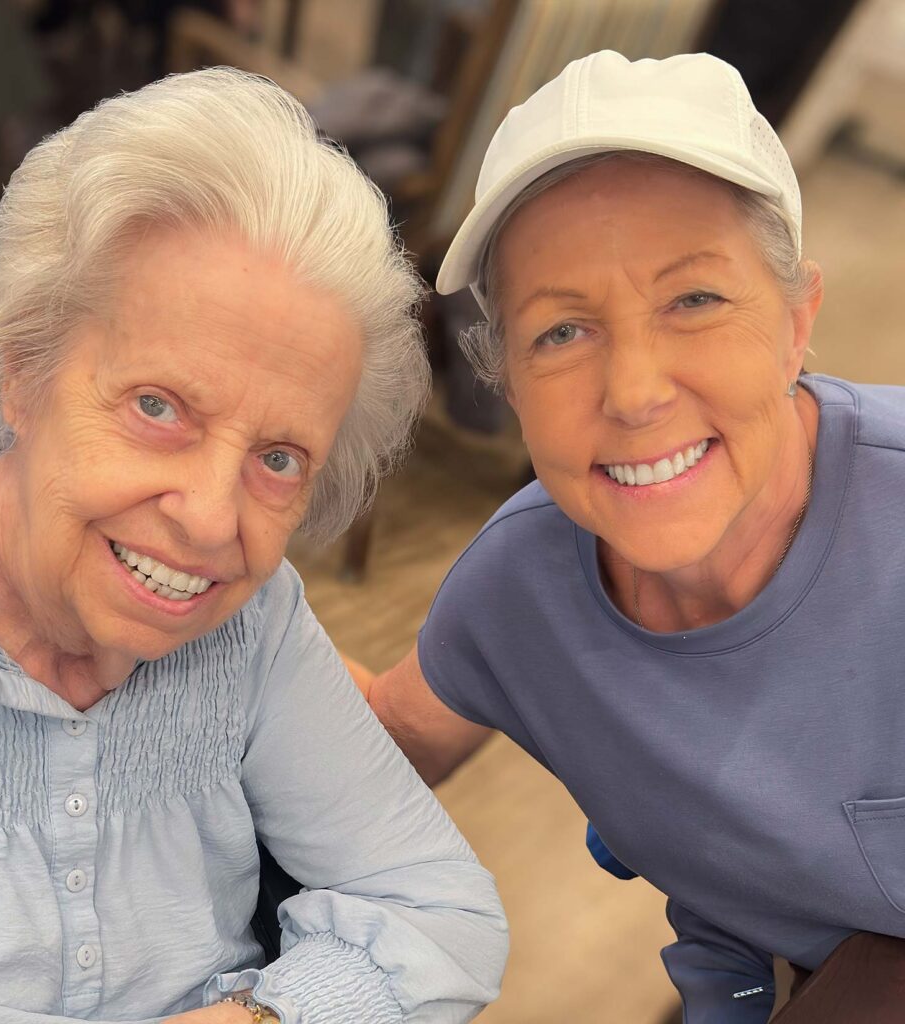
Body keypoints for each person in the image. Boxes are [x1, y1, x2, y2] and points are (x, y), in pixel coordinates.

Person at [0, 68, 508, 1023]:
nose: (214, 521)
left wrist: (262, 1017)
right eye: (157, 406)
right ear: (21, 367)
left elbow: (440, 912)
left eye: (280, 457)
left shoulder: (250, 627)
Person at [360, 50, 905, 1022]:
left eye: (693, 300)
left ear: (795, 322)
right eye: (560, 332)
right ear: (508, 388)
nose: (635, 392)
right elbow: (382, 742)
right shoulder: (517, 592)